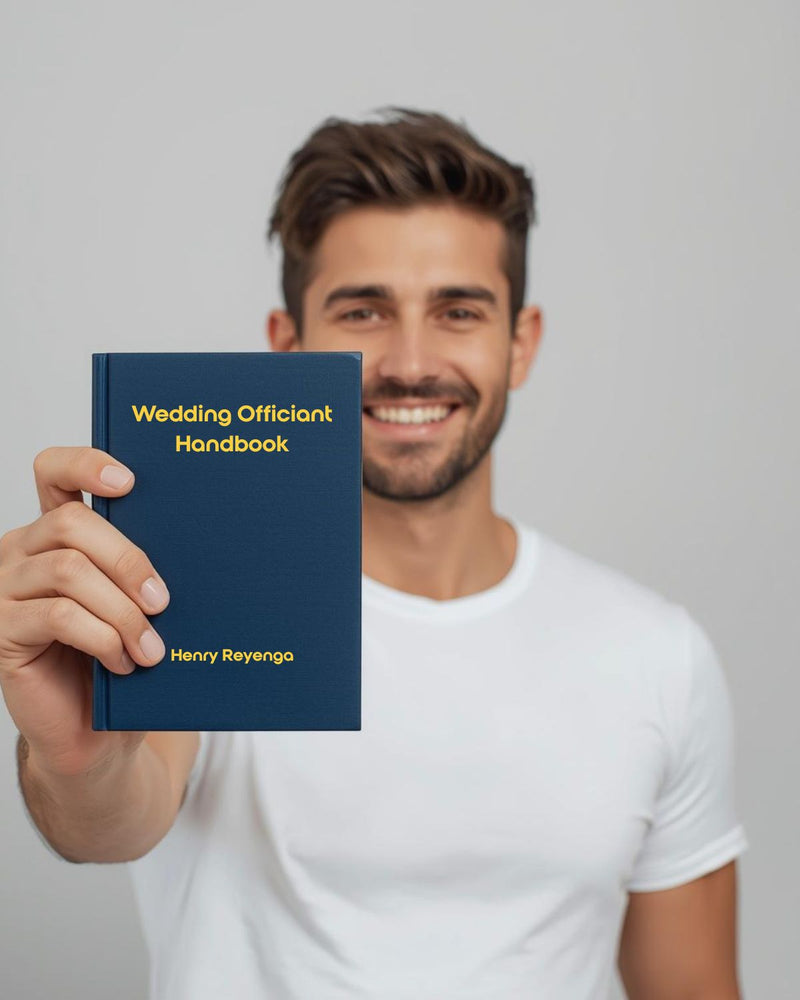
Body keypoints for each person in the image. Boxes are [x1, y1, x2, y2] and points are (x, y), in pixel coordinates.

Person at [1, 107, 748, 999]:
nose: (408, 361)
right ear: (289, 347)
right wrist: (77, 757)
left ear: (522, 342)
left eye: (459, 310)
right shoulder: (192, 597)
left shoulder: (657, 655)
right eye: (363, 310)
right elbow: (110, 820)